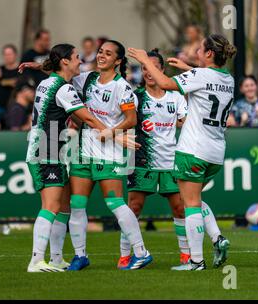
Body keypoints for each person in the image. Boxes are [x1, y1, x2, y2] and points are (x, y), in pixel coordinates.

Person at [129, 33, 236, 271]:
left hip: (193, 150)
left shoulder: (199, 75)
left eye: (200, 49)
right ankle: (217, 237)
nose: (196, 51)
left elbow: (166, 84)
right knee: (195, 199)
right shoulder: (228, 79)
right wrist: (188, 68)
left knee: (191, 205)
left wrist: (146, 61)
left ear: (209, 54)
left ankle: (195, 261)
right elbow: (208, 79)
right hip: (216, 152)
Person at [25, 43, 114, 272]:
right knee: (51, 205)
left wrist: (37, 66)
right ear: (64, 61)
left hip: (51, 148)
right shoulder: (63, 89)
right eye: (76, 57)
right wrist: (116, 134)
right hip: (46, 149)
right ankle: (36, 260)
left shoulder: (47, 83)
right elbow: (88, 119)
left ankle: (55, 258)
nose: (80, 61)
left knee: (64, 207)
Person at [68, 40, 153, 271]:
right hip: (84, 151)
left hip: (110, 153)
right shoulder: (86, 79)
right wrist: (40, 67)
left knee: (115, 203)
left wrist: (110, 132)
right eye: (100, 52)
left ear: (117, 61)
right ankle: (80, 256)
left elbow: (131, 120)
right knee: (76, 205)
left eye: (108, 54)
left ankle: (141, 252)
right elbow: (63, 75)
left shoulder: (122, 87)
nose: (101, 56)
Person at [118, 49, 190, 268]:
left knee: (179, 208)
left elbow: (184, 121)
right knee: (134, 208)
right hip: (141, 160)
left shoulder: (176, 97)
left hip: (170, 161)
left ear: (161, 70)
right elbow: (125, 120)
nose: (148, 71)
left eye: (152, 66)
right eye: (144, 67)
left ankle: (186, 254)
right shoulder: (135, 97)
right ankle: (124, 255)